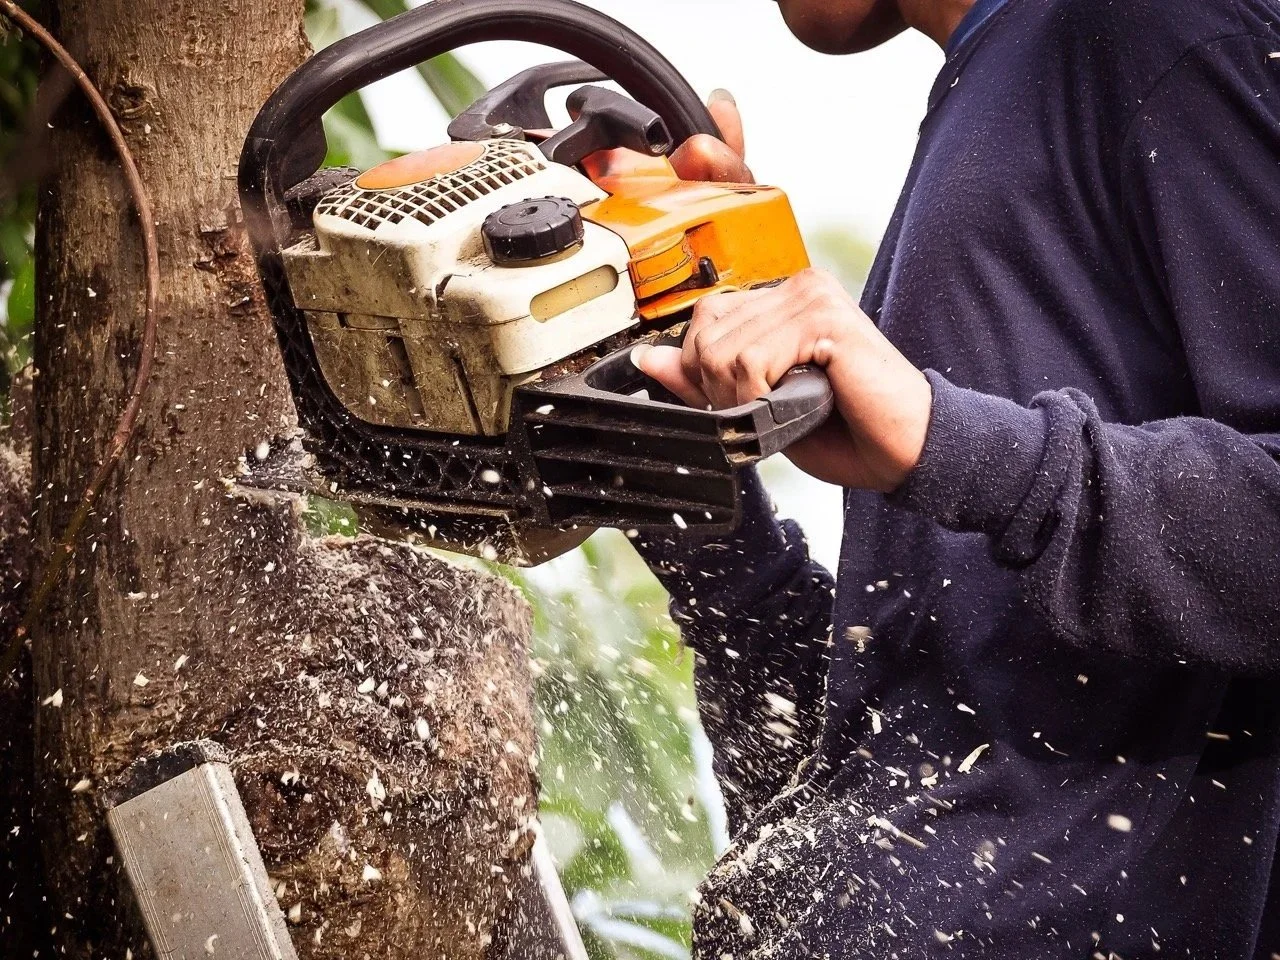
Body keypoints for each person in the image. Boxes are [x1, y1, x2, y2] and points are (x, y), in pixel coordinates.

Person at [627, 0, 1280, 956]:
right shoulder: (1000, 102)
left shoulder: (1166, 25)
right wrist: (682, 476)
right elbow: (899, 776)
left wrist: (956, 442)